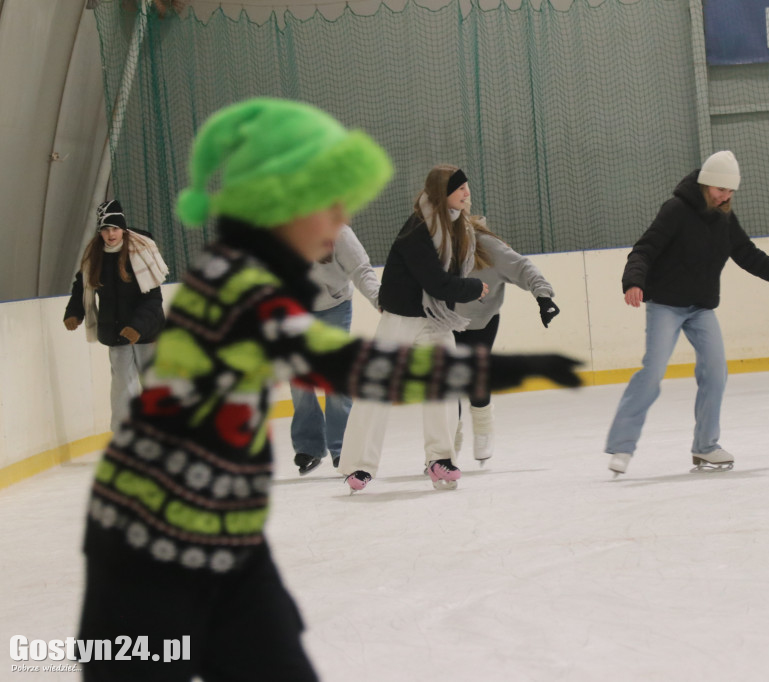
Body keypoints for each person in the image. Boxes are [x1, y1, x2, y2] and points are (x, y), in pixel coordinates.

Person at [76, 98, 580, 681]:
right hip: (361, 319)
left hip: (367, 314)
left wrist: (525, 290)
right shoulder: (375, 232)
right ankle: (345, 459)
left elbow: (376, 270)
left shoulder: (376, 229)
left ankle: (427, 457)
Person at [605, 151, 769, 476]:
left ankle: (705, 447)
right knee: (653, 372)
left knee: (716, 372)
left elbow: (749, 255)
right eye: (719, 190)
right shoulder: (676, 210)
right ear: (705, 184)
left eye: (730, 191)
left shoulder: (725, 218)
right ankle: (621, 445)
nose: (725, 196)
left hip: (700, 309)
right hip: (666, 305)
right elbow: (644, 249)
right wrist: (633, 281)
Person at [337, 165, 504, 492]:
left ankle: (440, 459)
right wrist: (472, 288)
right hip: (400, 317)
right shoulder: (418, 229)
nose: (467, 193)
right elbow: (437, 282)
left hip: (436, 319)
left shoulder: (459, 228)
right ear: (444, 195)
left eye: (467, 187)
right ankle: (359, 465)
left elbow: (448, 279)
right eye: (460, 189)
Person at [452, 204, 560, 465]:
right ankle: (445, 447)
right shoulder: (436, 247)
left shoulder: (488, 246)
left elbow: (523, 267)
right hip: (445, 321)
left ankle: (483, 428)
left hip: (482, 320)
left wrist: (543, 297)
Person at [63, 199, 168, 431]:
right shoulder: (94, 256)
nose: (111, 234)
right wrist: (74, 312)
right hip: (115, 332)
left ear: (123, 228)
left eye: (115, 228)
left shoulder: (141, 252)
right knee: (122, 386)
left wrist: (137, 327)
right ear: (100, 232)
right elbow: (81, 287)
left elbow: (153, 299)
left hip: (147, 332)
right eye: (106, 229)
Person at [290, 223, 380, 475]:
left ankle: (342, 448)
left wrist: (378, 298)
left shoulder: (338, 231)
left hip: (334, 307)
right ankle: (308, 446)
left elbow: (361, 268)